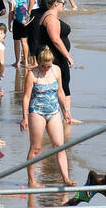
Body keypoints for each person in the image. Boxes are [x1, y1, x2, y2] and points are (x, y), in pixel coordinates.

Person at [21, 48, 74, 188]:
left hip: (54, 111)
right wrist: (24, 117)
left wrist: (66, 111)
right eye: (43, 66)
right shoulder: (32, 75)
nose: (46, 68)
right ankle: (32, 180)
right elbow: (26, 97)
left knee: (60, 147)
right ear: (39, 63)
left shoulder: (56, 70)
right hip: (37, 112)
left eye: (48, 65)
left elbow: (61, 92)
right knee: (36, 148)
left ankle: (66, 179)